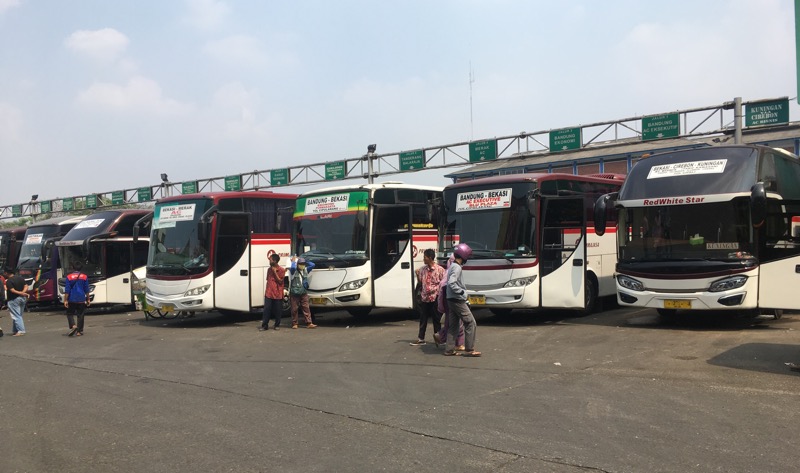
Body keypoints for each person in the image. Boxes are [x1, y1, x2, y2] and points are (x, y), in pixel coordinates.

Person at [443, 244, 481, 357]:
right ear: (463, 255)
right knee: (470, 322)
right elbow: (451, 283)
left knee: (453, 325)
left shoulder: (453, 266)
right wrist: (461, 292)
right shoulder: (457, 267)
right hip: (457, 300)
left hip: (451, 299)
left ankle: (449, 350)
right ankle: (469, 349)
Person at [410, 249, 445, 346]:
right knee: (423, 318)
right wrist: (417, 276)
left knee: (436, 319)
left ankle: (439, 338)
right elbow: (421, 283)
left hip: (435, 297)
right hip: (425, 298)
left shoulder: (440, 270)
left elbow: (443, 283)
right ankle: (421, 338)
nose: (423, 259)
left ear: (430, 258)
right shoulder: (422, 270)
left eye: (425, 257)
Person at [433, 255, 465, 350]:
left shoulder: (448, 271)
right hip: (453, 299)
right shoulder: (454, 270)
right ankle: (456, 343)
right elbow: (452, 284)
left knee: (451, 321)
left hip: (447, 300)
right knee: (457, 321)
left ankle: (443, 337)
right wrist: (461, 293)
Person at [288, 256, 316, 329]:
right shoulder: (293, 272)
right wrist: (294, 261)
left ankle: (309, 323)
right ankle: (295, 323)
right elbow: (293, 268)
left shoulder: (305, 270)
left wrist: (305, 260)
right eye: (300, 264)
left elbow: (312, 265)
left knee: (306, 308)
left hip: (303, 292)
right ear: (297, 264)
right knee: (294, 309)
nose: (302, 265)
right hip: (295, 292)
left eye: (303, 264)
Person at [63, 261, 90, 336]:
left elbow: (67, 290)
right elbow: (86, 289)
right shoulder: (84, 277)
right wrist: (88, 299)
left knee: (69, 313)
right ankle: (79, 331)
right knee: (80, 314)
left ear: (73, 268)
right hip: (81, 298)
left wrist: (65, 300)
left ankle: (73, 325)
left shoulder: (69, 277)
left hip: (72, 298)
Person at [260, 253, 286, 331]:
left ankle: (277, 324)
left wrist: (275, 272)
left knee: (277, 310)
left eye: (270, 260)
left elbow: (280, 281)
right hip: (269, 292)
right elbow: (268, 280)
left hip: (277, 293)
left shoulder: (281, 270)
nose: (269, 261)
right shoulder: (269, 269)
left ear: (275, 261)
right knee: (266, 309)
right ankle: (265, 325)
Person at [4, 266, 30, 336]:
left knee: (16, 315)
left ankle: (21, 330)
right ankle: (15, 330)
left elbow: (12, 290)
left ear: (6, 273)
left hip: (13, 299)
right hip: (22, 299)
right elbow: (26, 286)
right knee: (19, 315)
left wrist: (20, 293)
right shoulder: (20, 278)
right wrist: (23, 293)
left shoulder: (9, 281)